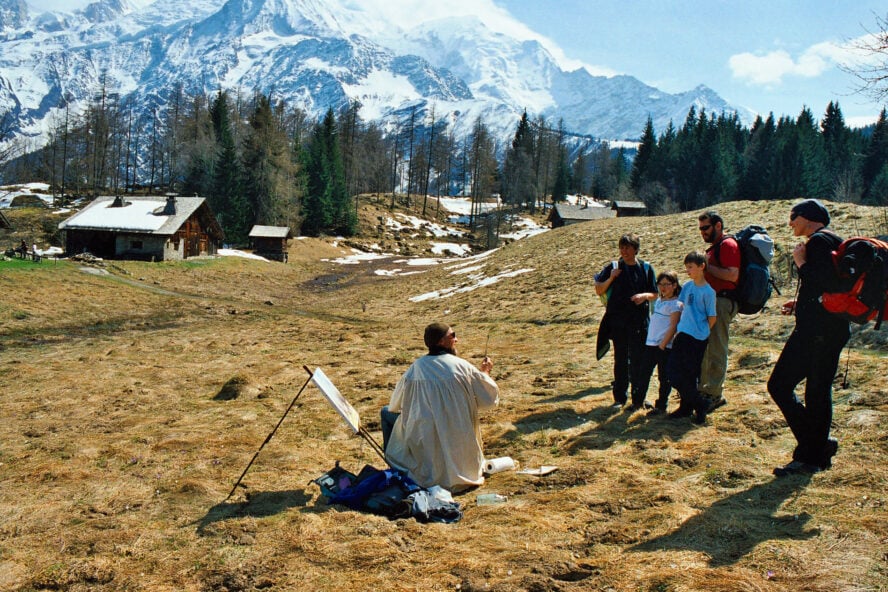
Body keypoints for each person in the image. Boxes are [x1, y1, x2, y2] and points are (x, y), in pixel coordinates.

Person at [768, 199, 848, 476]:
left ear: (809, 219)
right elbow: (828, 287)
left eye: (794, 217)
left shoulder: (818, 243)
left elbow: (825, 281)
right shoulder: (834, 240)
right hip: (832, 328)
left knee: (779, 385)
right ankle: (814, 451)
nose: (790, 222)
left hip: (817, 332)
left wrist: (800, 262)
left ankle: (812, 451)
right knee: (817, 390)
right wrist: (800, 303)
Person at [382, 323, 499, 493]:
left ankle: (394, 467)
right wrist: (485, 373)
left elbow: (394, 405)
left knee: (385, 413)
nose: (456, 339)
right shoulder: (462, 367)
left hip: (423, 438)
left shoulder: (416, 368)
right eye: (453, 336)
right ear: (441, 342)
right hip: (460, 446)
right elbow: (489, 400)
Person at [594, 233, 657, 409]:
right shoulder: (613, 267)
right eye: (622, 248)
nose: (624, 251)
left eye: (628, 248)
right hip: (618, 322)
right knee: (621, 360)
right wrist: (611, 277)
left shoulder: (646, 268)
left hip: (639, 323)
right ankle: (619, 398)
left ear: (636, 249)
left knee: (638, 360)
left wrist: (644, 296)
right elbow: (599, 289)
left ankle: (639, 398)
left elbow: (655, 293)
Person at [666, 252, 717, 424]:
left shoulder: (709, 292)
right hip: (683, 335)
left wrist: (701, 332)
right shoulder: (687, 287)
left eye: (690, 267)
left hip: (697, 339)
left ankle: (689, 407)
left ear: (701, 266)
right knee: (673, 372)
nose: (687, 270)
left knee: (689, 375)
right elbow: (680, 308)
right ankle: (699, 403)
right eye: (686, 267)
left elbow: (712, 317)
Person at [697, 211, 740, 412]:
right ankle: (704, 390)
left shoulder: (728, 245)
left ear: (718, 226)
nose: (702, 232)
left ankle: (714, 394)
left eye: (706, 228)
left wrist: (706, 268)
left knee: (717, 347)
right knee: (706, 347)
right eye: (700, 229)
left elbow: (732, 275)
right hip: (712, 302)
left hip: (722, 302)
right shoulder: (715, 248)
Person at [636, 271, 683, 414]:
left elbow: (674, 326)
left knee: (664, 377)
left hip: (664, 346)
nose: (663, 287)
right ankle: (638, 402)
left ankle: (661, 405)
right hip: (650, 344)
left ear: (674, 285)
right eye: (660, 284)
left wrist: (663, 344)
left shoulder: (676, 304)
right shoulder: (659, 301)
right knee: (644, 373)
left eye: (667, 284)